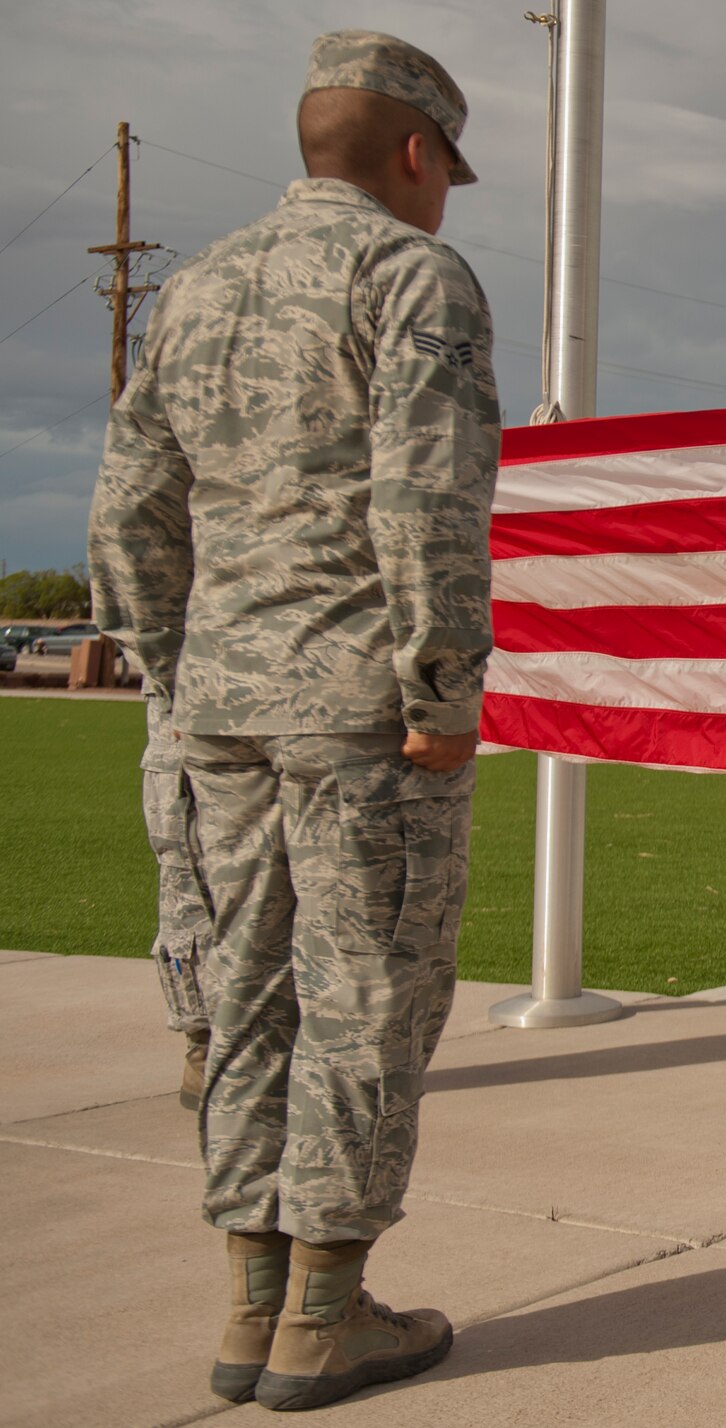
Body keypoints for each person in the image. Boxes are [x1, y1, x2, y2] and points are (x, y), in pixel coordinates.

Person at [88, 30, 499, 1411]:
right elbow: (424, 502)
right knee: (366, 999)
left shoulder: (196, 286)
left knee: (245, 1002)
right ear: (412, 153)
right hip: (358, 719)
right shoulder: (409, 274)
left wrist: (174, 669)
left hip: (219, 717)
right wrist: (442, 692)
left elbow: (129, 510)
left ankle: (249, 1308)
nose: (447, 192)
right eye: (447, 166)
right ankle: (327, 1317)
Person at [139, 676, 215, 1107]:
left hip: (301, 692)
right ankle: (204, 1049)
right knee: (190, 878)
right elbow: (134, 611)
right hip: (190, 696)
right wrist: (186, 679)